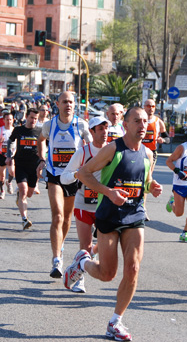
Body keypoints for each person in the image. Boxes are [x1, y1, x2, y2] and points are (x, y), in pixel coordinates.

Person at [63, 106, 162, 341]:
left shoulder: (148, 154)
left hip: (135, 215)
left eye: (145, 121)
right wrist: (108, 192)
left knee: (133, 268)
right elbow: (83, 174)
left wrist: (152, 186)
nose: (142, 125)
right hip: (108, 214)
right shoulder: (112, 149)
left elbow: (144, 181)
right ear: (125, 125)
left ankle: (115, 322)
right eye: (137, 121)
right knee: (108, 273)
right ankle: (83, 263)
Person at [38, 91, 92, 278]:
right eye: (64, 102)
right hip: (54, 175)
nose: (68, 105)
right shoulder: (49, 125)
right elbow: (41, 141)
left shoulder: (81, 125)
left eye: (71, 102)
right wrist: (42, 159)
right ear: (57, 104)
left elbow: (90, 147)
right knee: (58, 215)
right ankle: (56, 260)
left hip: (73, 177)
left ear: (74, 104)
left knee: (68, 218)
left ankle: (60, 246)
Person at [61, 116, 110, 293]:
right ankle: (80, 280)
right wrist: (77, 175)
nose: (105, 133)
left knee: (107, 244)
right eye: (101, 129)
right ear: (92, 131)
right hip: (83, 205)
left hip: (104, 205)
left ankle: (77, 265)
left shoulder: (112, 151)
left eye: (106, 129)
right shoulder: (83, 152)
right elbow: (64, 177)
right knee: (86, 246)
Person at [7, 109, 44, 229]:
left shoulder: (40, 131)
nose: (33, 120)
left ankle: (19, 197)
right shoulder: (18, 130)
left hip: (34, 165)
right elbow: (10, 141)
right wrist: (9, 156)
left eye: (36, 118)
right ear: (26, 117)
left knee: (29, 193)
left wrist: (42, 158)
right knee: (23, 189)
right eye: (31, 117)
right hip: (21, 164)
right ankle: (24, 219)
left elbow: (45, 146)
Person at [0, 111, 15, 199]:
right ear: (4, 120)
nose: (9, 121)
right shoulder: (0, 130)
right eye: (7, 120)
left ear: (13, 120)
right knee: (2, 176)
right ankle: (2, 191)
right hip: (1, 154)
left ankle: (9, 183)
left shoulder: (15, 130)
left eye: (10, 120)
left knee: (12, 172)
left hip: (11, 155)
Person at [142, 99, 168, 173]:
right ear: (144, 107)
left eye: (153, 106)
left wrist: (163, 140)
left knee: (149, 174)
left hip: (152, 151)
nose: (151, 108)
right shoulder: (139, 120)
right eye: (148, 106)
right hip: (139, 150)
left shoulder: (158, 122)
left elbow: (167, 138)